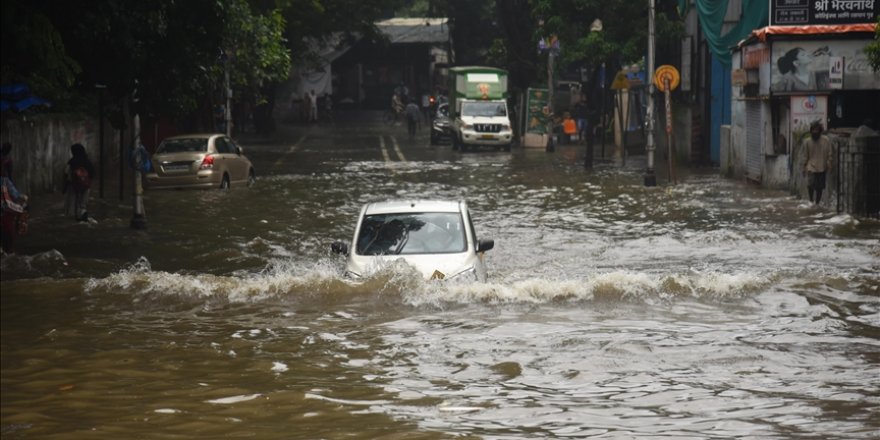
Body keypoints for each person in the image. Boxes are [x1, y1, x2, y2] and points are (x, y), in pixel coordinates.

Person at [802, 121, 832, 205]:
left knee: (820, 187)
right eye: (813, 130)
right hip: (811, 166)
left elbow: (829, 153)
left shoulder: (826, 140)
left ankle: (817, 203)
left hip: (822, 167)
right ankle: (811, 200)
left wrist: (829, 162)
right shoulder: (807, 141)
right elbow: (805, 156)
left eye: (816, 130)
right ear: (811, 131)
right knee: (810, 184)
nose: (815, 132)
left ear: (820, 131)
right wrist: (804, 167)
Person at [64, 143, 95, 222]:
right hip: (86, 186)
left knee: (74, 202)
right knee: (83, 203)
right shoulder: (87, 161)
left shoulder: (72, 162)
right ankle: (83, 214)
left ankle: (78, 217)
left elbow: (67, 174)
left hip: (74, 186)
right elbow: (92, 173)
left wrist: (64, 186)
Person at [1, 164, 27, 254]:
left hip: (5, 211)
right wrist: (23, 199)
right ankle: (9, 250)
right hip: (5, 212)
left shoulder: (5, 181)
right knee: (8, 232)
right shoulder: (5, 181)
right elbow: (16, 195)